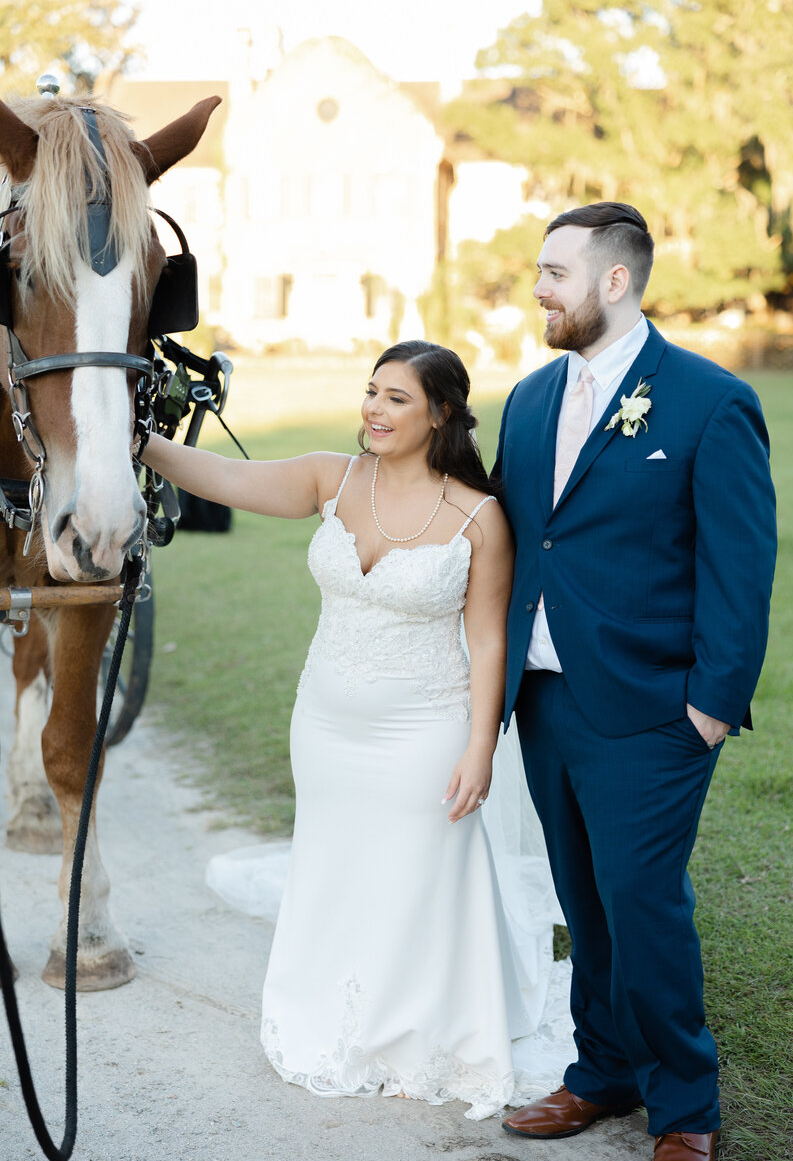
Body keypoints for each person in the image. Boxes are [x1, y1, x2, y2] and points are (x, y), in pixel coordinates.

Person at [141, 340, 575, 1119]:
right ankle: (336, 1011)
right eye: (371, 392)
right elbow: (229, 479)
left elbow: (487, 640)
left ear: (441, 413)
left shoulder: (480, 517)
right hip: (326, 723)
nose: (374, 409)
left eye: (397, 398)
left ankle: (417, 1031)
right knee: (337, 864)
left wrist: (481, 747)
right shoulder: (332, 478)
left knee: (417, 875)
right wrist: (135, 438)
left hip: (428, 727)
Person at [494, 204, 777, 1160]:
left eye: (555, 272)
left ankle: (686, 1105)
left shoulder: (709, 401)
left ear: (614, 281)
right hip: (543, 698)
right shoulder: (530, 400)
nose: (538, 288)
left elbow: (742, 568)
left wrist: (707, 707)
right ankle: (601, 1071)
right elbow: (517, 534)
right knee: (583, 896)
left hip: (653, 710)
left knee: (642, 901)